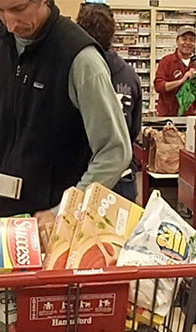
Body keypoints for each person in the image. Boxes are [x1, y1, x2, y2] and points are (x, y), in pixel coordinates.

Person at [0, 0, 131, 220]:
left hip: (58, 223)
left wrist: (64, 211)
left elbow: (114, 151)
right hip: (4, 214)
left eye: (18, 9)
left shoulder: (80, 58)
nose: (9, 25)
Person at [77, 3, 141, 201]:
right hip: (122, 178)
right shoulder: (129, 75)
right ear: (112, 34)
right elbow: (133, 129)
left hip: (82, 177)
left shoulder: (75, 70)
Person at [154, 26, 196, 117]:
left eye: (191, 40)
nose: (187, 43)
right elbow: (159, 86)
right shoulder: (167, 61)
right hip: (167, 116)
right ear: (177, 41)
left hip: (189, 116)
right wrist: (181, 81)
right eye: (184, 39)